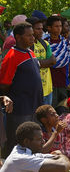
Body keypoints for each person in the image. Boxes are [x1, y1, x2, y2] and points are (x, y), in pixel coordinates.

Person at [0, 22, 44, 155]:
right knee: (18, 143)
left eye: (33, 35)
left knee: (33, 142)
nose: (33, 38)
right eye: (29, 35)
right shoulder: (12, 56)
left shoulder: (30, 52)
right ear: (18, 37)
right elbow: (4, 84)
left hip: (34, 106)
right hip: (20, 108)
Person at [1, 122, 70, 172]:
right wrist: (62, 156)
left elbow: (49, 156)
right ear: (27, 142)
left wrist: (58, 155)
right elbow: (63, 166)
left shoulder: (24, 150)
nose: (43, 141)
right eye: (39, 139)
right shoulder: (20, 158)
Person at [26, 17, 56, 105]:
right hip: (33, 90)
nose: (41, 31)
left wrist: (38, 63)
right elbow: (30, 65)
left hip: (48, 89)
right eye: (38, 29)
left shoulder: (45, 44)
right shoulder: (26, 46)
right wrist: (45, 62)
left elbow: (53, 61)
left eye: (42, 28)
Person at [44, 16, 70, 108]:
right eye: (56, 26)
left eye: (60, 26)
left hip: (63, 80)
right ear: (49, 28)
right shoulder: (44, 43)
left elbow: (68, 60)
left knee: (63, 107)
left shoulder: (65, 42)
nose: (59, 28)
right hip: (50, 81)